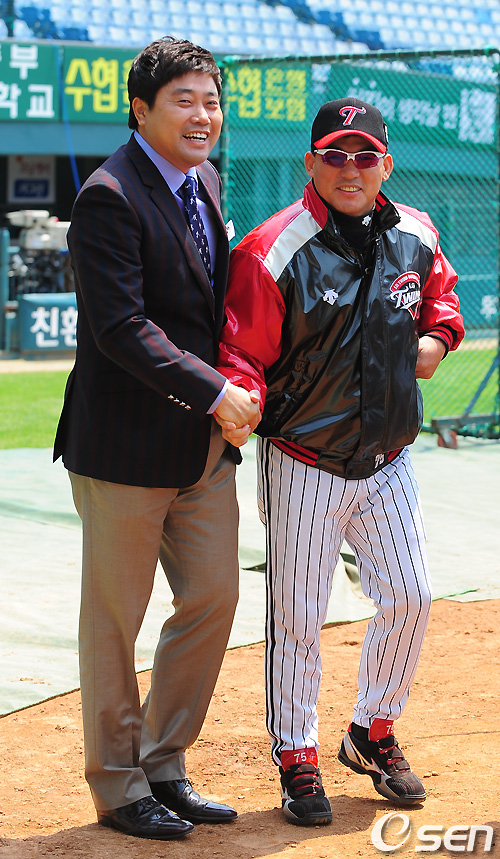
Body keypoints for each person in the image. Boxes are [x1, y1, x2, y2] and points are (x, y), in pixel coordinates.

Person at [216, 97, 464, 826]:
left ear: (386, 165)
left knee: (412, 597)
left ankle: (371, 730)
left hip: (389, 457)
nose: (349, 169)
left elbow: (441, 298)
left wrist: (438, 338)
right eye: (334, 155)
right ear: (311, 163)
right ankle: (296, 753)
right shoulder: (271, 248)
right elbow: (240, 348)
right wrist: (241, 397)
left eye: (364, 156)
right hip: (304, 460)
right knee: (297, 616)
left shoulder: (416, 233)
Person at [53, 37, 260, 841]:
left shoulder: (205, 180)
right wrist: (215, 391)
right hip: (124, 448)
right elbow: (121, 327)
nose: (203, 115)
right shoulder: (107, 196)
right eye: (184, 100)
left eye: (212, 100)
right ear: (141, 109)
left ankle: (163, 760)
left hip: (201, 448)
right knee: (114, 620)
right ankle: (117, 783)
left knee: (214, 596)